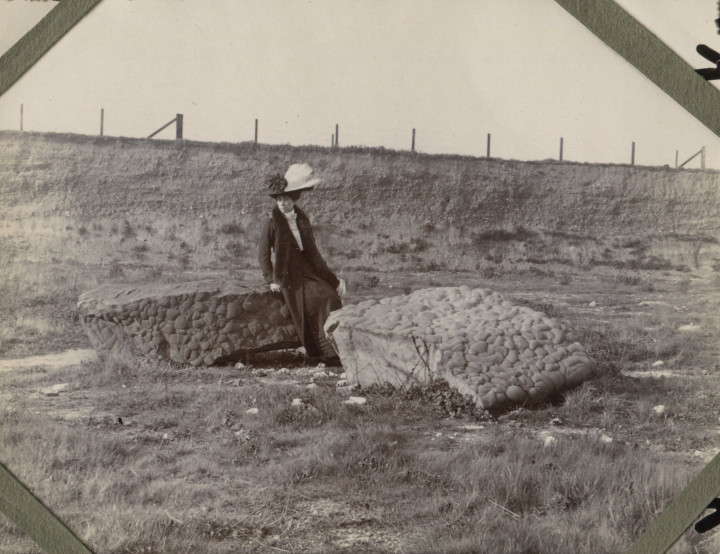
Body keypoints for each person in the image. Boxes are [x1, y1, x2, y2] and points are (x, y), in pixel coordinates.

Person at [258, 163, 346, 364]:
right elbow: (263, 254)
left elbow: (312, 252)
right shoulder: (271, 222)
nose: (283, 204)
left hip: (307, 270)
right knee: (318, 300)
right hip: (288, 275)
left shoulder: (301, 219)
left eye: (287, 200)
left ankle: (337, 348)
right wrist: (270, 279)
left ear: (294, 200)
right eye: (279, 200)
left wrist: (332, 279)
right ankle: (323, 352)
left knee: (330, 295)